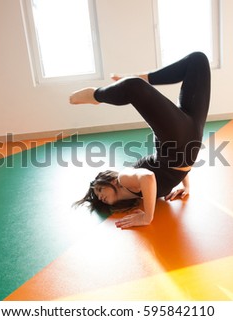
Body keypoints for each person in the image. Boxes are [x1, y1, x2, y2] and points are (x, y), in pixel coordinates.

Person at [70, 52, 211, 229]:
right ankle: (139, 79)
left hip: (178, 142)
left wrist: (147, 217)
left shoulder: (123, 179)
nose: (99, 197)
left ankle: (96, 96)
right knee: (198, 61)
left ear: (110, 180)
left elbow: (149, 177)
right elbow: (170, 171)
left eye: (98, 190)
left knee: (133, 86)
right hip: (189, 140)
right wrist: (186, 184)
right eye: (99, 199)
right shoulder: (141, 195)